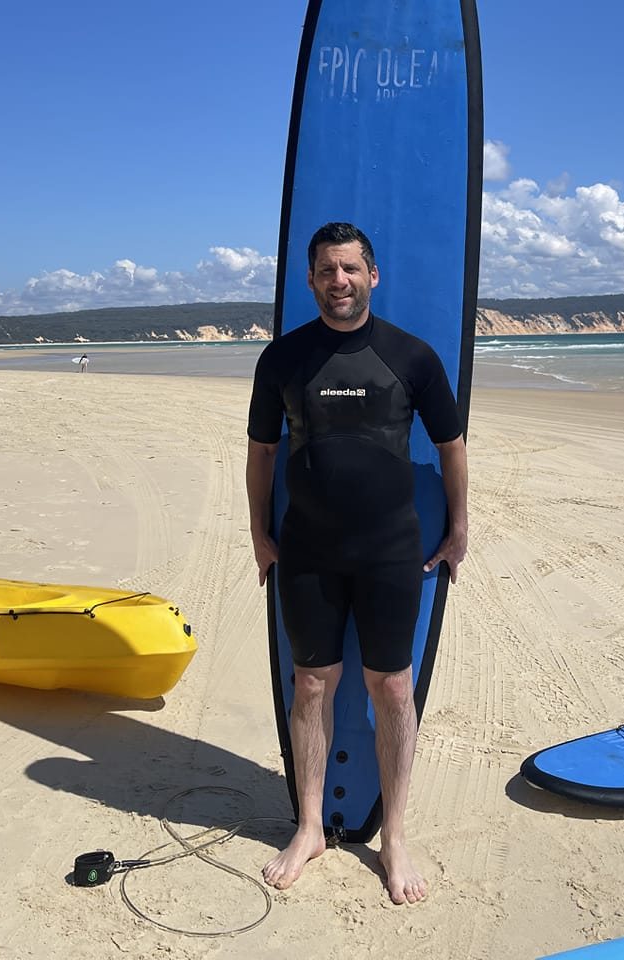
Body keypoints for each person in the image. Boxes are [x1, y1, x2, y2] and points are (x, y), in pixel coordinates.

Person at [246, 222, 468, 905]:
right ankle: (309, 825)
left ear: (372, 275)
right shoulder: (282, 359)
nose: (336, 281)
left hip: (389, 551)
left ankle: (394, 836)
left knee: (391, 688)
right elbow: (260, 454)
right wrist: (258, 532)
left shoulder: (413, 357)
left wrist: (458, 529)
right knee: (311, 683)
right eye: (324, 271)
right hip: (307, 548)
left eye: (348, 269)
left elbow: (452, 447)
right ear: (309, 281)